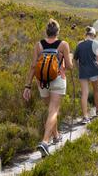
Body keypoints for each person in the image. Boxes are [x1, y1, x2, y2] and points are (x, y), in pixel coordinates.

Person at [23, 19, 73, 157]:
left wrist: (27, 86)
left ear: (46, 31)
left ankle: (56, 135)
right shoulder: (63, 44)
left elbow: (33, 66)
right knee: (53, 111)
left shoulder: (39, 45)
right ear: (57, 32)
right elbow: (68, 66)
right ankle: (45, 142)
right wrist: (70, 60)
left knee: (51, 110)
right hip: (57, 79)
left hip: (41, 82)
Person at [73, 26, 98, 124]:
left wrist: (79, 68)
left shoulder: (79, 44)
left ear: (86, 35)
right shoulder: (96, 44)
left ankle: (85, 116)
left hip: (83, 72)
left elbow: (74, 59)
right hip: (94, 71)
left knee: (84, 94)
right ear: (93, 35)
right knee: (96, 90)